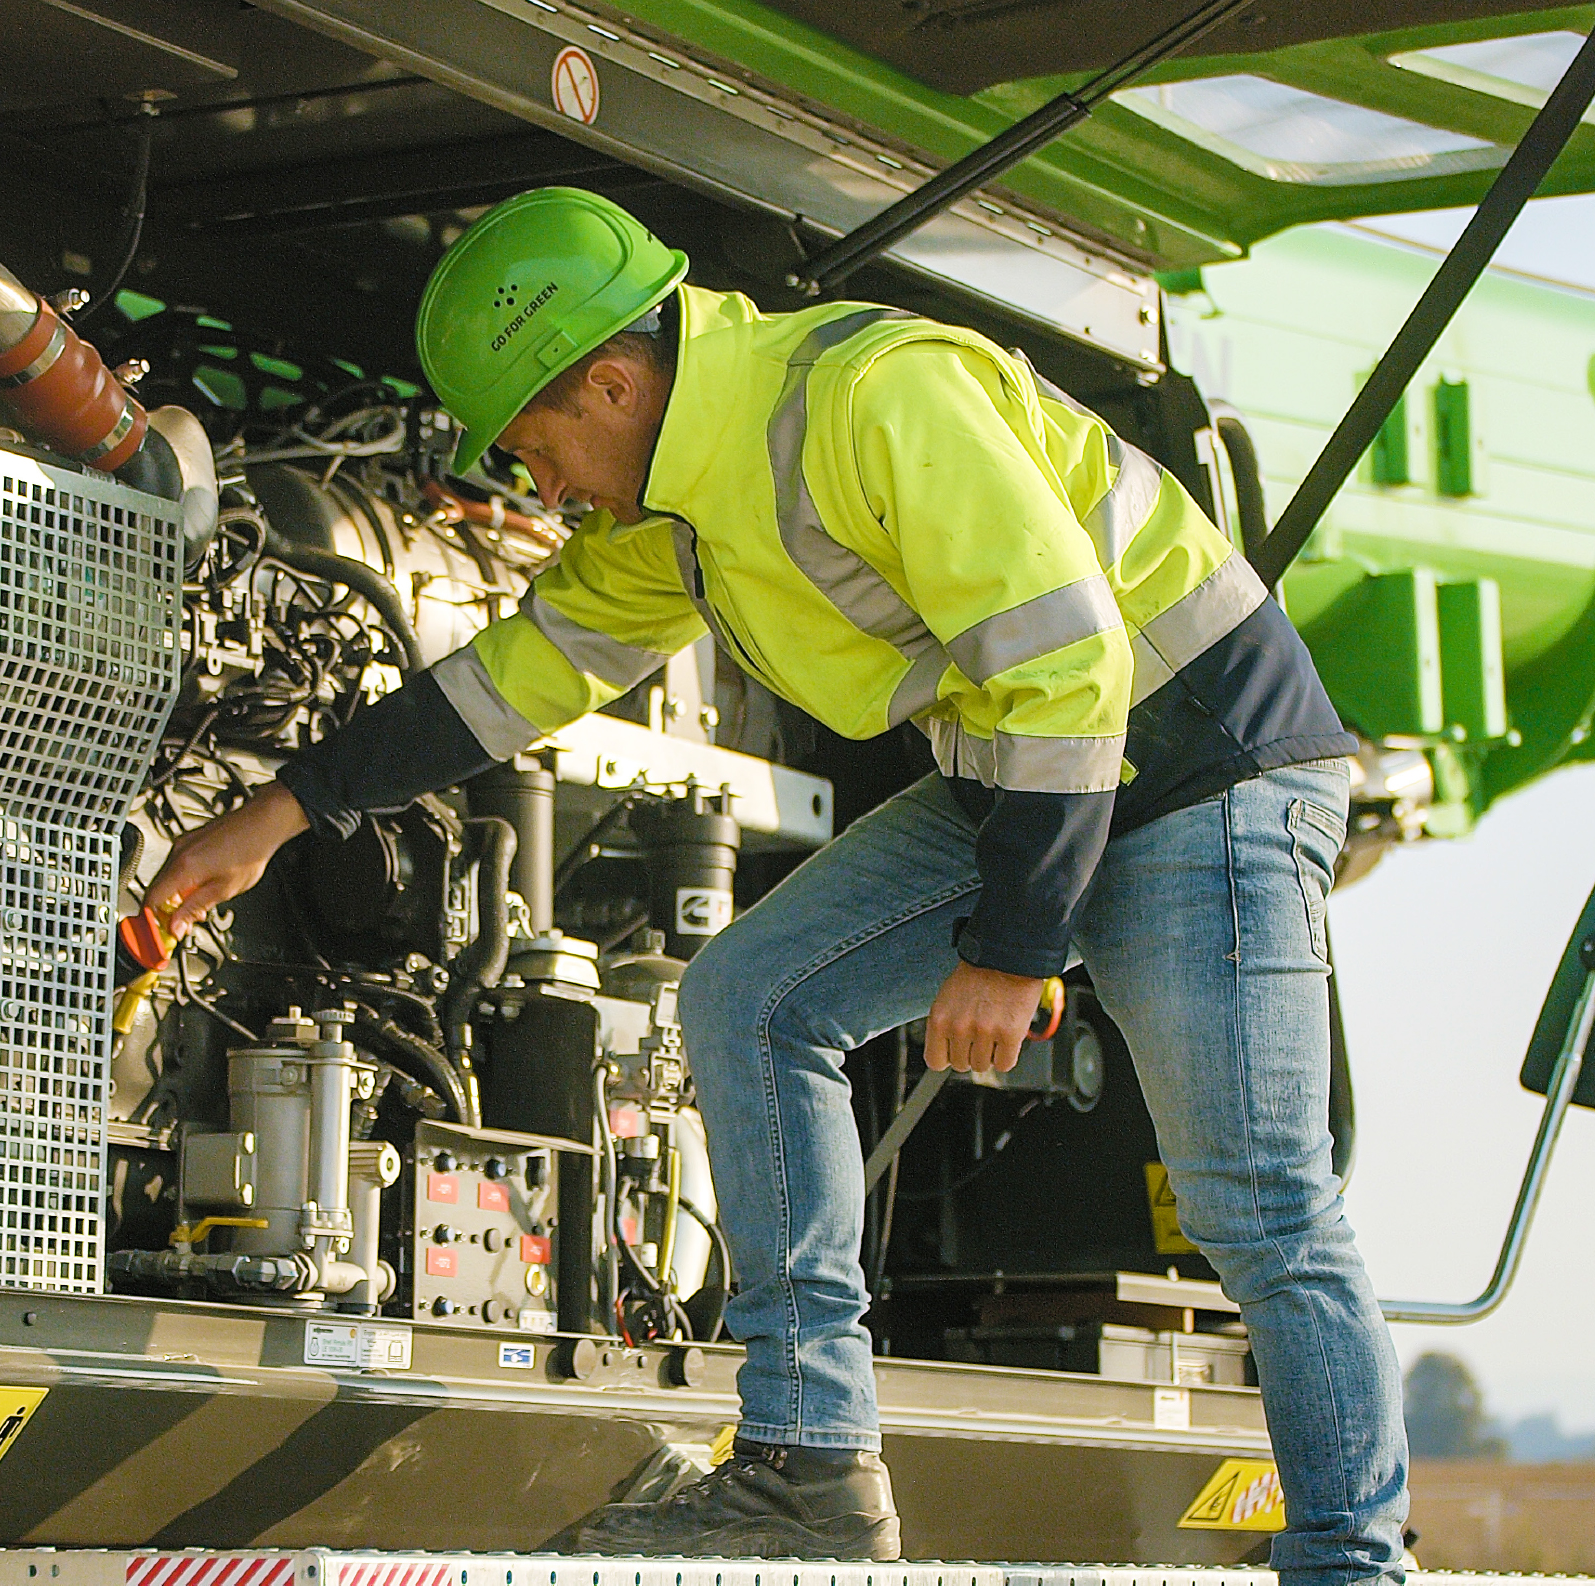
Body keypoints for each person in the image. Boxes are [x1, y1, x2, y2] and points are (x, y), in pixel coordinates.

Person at [145, 188, 1408, 1578]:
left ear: (615, 382)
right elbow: (516, 676)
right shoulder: (677, 515)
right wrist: (280, 810)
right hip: (1024, 770)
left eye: (540, 445)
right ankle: (811, 1463)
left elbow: (1070, 658)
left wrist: (1016, 941)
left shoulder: (872, 398)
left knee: (1256, 1201)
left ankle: (1351, 1558)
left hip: (1201, 762)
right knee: (749, 994)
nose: (543, 489)